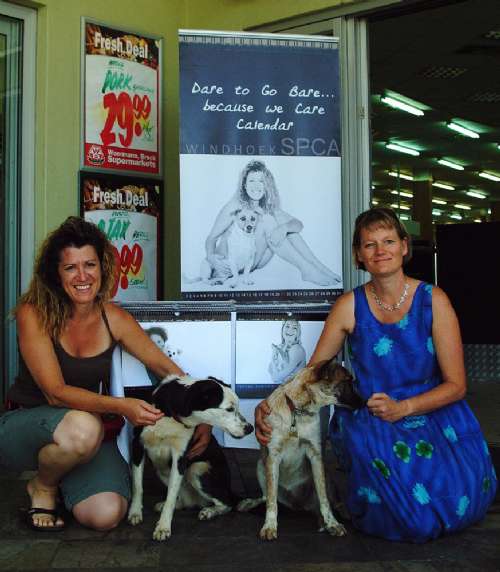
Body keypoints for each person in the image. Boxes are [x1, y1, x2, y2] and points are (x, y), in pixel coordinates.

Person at [255, 207, 497, 543]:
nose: (380, 250)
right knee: (412, 517)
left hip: (433, 412)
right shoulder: (348, 306)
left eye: (388, 241)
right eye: (370, 244)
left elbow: (456, 386)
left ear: (404, 246)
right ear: (359, 254)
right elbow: (312, 373)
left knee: (452, 497)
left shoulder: (434, 301)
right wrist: (269, 405)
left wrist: (405, 408)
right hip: (372, 414)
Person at [0, 217, 211, 532]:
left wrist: (203, 415)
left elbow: (166, 369)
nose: (83, 276)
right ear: (56, 274)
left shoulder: (113, 317)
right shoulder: (33, 313)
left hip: (84, 435)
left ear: (103, 268)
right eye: (70, 268)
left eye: (90, 265)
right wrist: (122, 407)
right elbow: (55, 393)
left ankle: (66, 476)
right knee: (84, 428)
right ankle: (43, 486)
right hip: (27, 426)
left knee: (106, 514)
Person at [204, 159, 341, 287]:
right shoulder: (235, 206)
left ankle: (320, 268)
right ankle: (307, 270)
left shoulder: (266, 207)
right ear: (244, 185)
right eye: (251, 181)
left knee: (287, 229)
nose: (256, 185)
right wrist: (211, 258)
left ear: (267, 185)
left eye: (261, 181)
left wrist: (284, 228)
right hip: (228, 264)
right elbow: (211, 238)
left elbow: (298, 224)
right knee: (268, 220)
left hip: (250, 262)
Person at [268, 318, 306, 384]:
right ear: (282, 328)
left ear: (298, 333)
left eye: (294, 328)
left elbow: (275, 378)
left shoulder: (297, 349)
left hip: (293, 389)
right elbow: (269, 369)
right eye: (287, 326)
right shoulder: (280, 347)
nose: (290, 330)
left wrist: (274, 354)